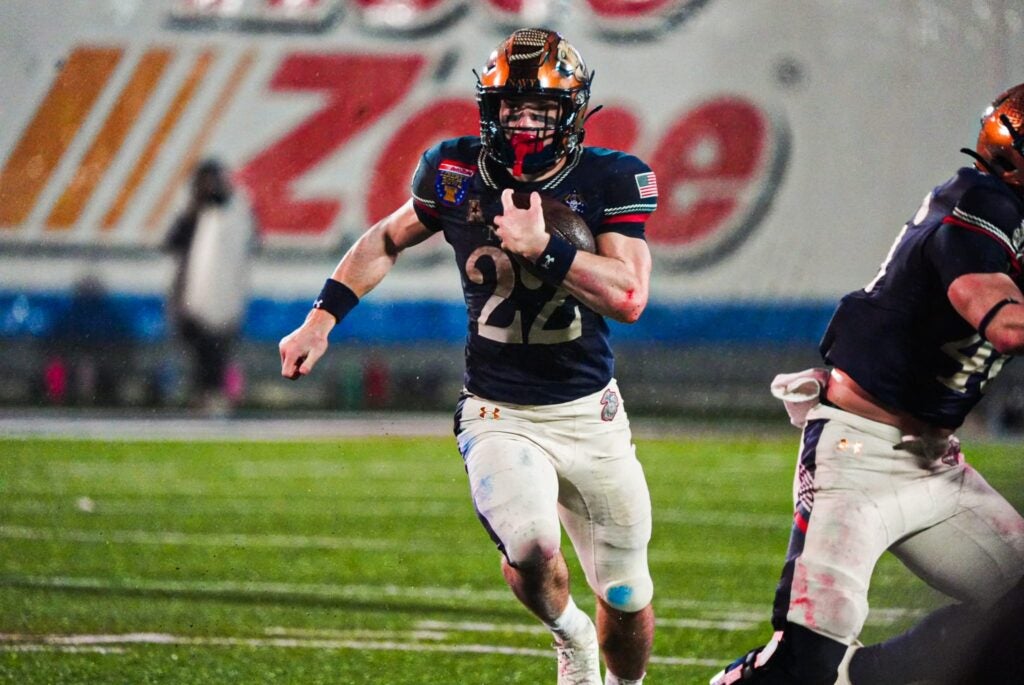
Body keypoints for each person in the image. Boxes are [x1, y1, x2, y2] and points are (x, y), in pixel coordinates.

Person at [279, 28, 658, 685]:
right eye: (511, 107)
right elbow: (385, 238)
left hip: (590, 413)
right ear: (490, 109)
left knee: (626, 595)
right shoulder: (456, 173)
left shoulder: (608, 178)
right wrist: (322, 317)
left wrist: (545, 248)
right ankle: (570, 637)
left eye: (539, 109)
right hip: (498, 408)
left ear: (571, 113)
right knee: (533, 548)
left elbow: (628, 296)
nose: (524, 122)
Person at [710, 83, 1024, 685]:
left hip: (937, 465)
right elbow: (1003, 323)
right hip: (858, 453)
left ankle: (867, 677)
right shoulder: (979, 202)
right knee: (804, 665)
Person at [164, 158, 259, 414]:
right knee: (200, 350)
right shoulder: (193, 216)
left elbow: (248, 244)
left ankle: (214, 394)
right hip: (191, 296)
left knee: (218, 350)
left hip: (224, 295)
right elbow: (171, 243)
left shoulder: (234, 213)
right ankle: (203, 393)